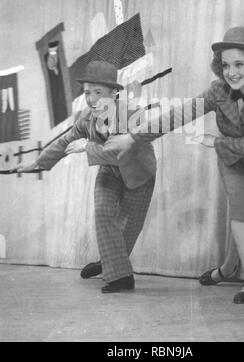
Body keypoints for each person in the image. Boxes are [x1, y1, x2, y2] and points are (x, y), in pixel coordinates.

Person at [104, 26, 244, 304]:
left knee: (241, 216)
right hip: (233, 166)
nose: (232, 72)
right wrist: (133, 137)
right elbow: (178, 115)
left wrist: (216, 142)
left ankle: (229, 268)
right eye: (225, 65)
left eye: (239, 64)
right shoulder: (218, 91)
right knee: (241, 214)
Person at [16, 60, 157, 294]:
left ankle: (108, 263)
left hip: (138, 175)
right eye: (87, 92)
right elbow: (64, 141)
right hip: (109, 172)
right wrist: (38, 163)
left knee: (128, 228)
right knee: (103, 214)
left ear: (114, 93)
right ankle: (122, 278)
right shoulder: (87, 118)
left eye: (98, 92)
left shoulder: (133, 115)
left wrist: (88, 147)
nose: (91, 99)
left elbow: (124, 152)